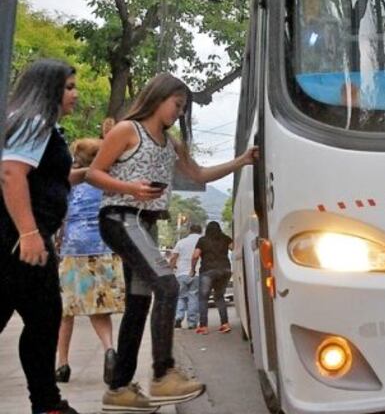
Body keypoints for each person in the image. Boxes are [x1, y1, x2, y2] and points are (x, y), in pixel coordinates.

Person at [87, 73, 258, 411]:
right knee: (168, 285)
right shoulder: (127, 130)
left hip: (145, 224)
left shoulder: (172, 143)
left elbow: (199, 175)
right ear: (158, 96)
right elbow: (94, 173)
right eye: (177, 105)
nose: (179, 113)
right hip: (120, 218)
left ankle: (119, 389)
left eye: (183, 110)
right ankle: (163, 374)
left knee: (139, 304)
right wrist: (131, 188)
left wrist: (241, 161)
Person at [0, 59, 82, 414]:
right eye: (69, 87)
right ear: (47, 89)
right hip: (19, 240)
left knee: (42, 318)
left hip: (21, 238)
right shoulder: (32, 122)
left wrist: (90, 173)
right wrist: (29, 233)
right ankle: (47, 403)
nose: (75, 94)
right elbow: (10, 174)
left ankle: (47, 402)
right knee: (45, 318)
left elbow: (45, 178)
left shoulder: (36, 125)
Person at [55, 138, 126, 386]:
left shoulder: (71, 182)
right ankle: (109, 349)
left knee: (65, 311)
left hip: (74, 250)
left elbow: (60, 213)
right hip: (105, 247)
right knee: (99, 308)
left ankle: (62, 364)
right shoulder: (108, 181)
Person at [192, 221, 233, 335]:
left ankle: (203, 326)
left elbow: (195, 255)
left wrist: (192, 269)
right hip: (225, 270)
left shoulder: (203, 240)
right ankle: (225, 324)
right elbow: (234, 248)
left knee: (203, 298)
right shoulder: (225, 238)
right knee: (219, 297)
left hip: (208, 271)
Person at [170, 223, 201, 329]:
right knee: (194, 297)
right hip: (196, 273)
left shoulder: (181, 242)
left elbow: (173, 258)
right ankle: (192, 322)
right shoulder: (202, 241)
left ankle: (178, 317)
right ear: (200, 231)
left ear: (190, 231)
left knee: (180, 296)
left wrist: (171, 270)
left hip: (181, 273)